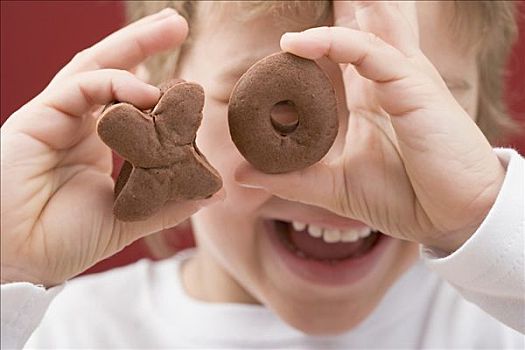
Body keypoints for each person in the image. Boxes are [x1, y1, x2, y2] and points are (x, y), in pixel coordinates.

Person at [1, 1, 524, 348]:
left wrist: (484, 215)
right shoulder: (69, 333)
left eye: (399, 109)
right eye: (281, 118)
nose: (342, 165)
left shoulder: (500, 322)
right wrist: (10, 266)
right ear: (149, 100)